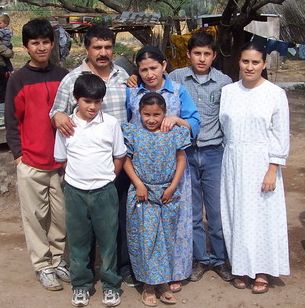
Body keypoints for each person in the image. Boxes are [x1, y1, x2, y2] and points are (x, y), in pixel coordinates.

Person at [49, 25, 137, 287]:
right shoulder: (72, 79)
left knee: (118, 219)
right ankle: (84, 274)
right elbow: (56, 112)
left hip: (120, 162)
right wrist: (59, 116)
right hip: (85, 168)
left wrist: (115, 168)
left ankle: (121, 269)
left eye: (108, 47)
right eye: (97, 47)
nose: (103, 52)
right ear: (87, 48)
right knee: (83, 227)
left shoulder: (124, 76)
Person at [127, 45, 200, 293]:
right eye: (144, 69)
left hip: (174, 173)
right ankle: (147, 275)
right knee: (147, 229)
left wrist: (177, 120)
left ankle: (174, 273)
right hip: (143, 174)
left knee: (175, 225)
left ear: (164, 66)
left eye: (154, 68)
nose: (149, 74)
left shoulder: (178, 91)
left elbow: (195, 122)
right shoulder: (132, 93)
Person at [219, 41, 290, 294]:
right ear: (239, 61)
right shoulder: (228, 91)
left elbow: (281, 136)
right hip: (234, 160)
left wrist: (273, 168)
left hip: (262, 162)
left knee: (262, 217)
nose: (249, 67)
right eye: (245, 61)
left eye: (255, 62)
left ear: (264, 64)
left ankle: (262, 270)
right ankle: (240, 267)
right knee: (237, 214)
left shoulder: (275, 94)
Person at [4, 18, 69, 291]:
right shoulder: (17, 80)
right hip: (31, 161)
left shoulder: (63, 75)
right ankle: (42, 265)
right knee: (34, 217)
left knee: (61, 216)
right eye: (35, 43)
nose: (41, 47)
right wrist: (19, 155)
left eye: (45, 42)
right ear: (26, 46)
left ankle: (59, 261)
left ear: (52, 44)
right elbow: (11, 119)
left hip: (61, 163)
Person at [54, 73, 126, 307]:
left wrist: (107, 180)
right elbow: (62, 159)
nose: (92, 106)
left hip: (104, 191)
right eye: (87, 101)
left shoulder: (111, 124)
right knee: (78, 241)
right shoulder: (67, 126)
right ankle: (81, 285)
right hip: (75, 192)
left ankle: (110, 285)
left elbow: (119, 155)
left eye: (97, 101)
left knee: (108, 241)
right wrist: (78, 180)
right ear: (76, 99)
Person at [168, 32, 233, 282]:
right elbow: (152, 81)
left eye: (207, 54)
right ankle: (200, 259)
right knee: (192, 212)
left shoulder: (224, 82)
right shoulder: (176, 78)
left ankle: (219, 258)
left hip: (214, 152)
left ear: (214, 56)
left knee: (216, 212)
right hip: (186, 154)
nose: (202, 58)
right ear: (188, 54)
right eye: (197, 53)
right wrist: (132, 78)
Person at [122, 92, 191, 306]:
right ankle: (148, 286)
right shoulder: (133, 132)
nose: (151, 119)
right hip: (142, 194)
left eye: (156, 114)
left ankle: (162, 283)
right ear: (139, 113)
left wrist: (172, 186)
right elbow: (125, 159)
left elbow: (181, 159)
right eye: (146, 114)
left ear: (164, 113)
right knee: (146, 241)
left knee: (166, 240)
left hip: (167, 194)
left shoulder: (173, 133)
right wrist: (139, 184)